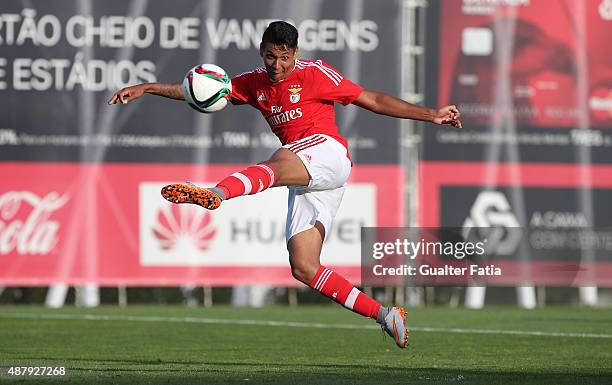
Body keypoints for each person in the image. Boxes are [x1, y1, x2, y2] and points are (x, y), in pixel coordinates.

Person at [108, 21, 462, 349]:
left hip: (327, 153)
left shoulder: (315, 74)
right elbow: (198, 91)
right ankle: (386, 315)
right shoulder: (253, 82)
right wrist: (148, 88)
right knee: (304, 266)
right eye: (270, 56)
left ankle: (216, 193)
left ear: (295, 53)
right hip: (309, 178)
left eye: (284, 57)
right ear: (261, 51)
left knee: (276, 163)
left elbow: (373, 100)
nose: (277, 64)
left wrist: (431, 114)